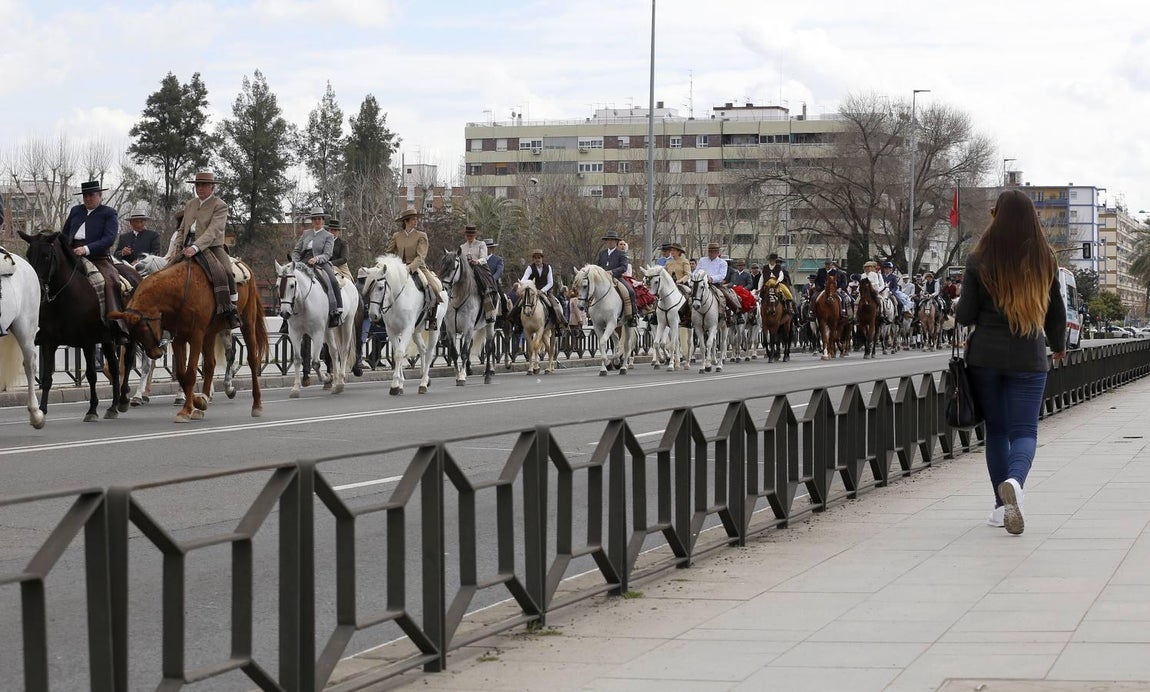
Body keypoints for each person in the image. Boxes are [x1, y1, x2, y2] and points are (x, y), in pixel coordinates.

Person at [956, 188, 1067, 536]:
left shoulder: (978, 259)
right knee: (1024, 431)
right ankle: (1015, 484)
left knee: (997, 432)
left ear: (997, 217)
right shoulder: (1045, 258)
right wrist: (1060, 344)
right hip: (1028, 355)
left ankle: (1000, 506)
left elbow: (965, 313)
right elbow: (1056, 310)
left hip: (985, 356)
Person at [61, 180, 133, 341]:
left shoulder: (109, 213)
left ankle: (116, 324)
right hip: (72, 253)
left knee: (108, 282)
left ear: (100, 195)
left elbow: (109, 239)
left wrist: (86, 249)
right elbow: (65, 234)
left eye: (91, 195)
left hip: (97, 256)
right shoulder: (75, 210)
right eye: (85, 196)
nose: (88, 198)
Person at [171, 171, 240, 328]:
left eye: (203, 185)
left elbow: (213, 231)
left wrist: (196, 247)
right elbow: (182, 229)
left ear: (212, 187)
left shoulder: (220, 205)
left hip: (212, 246)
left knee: (226, 272)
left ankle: (232, 310)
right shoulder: (190, 204)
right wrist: (177, 247)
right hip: (187, 246)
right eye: (197, 185)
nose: (199, 188)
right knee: (165, 270)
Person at [385, 208, 441, 330]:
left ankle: (432, 318)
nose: (416, 221)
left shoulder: (421, 235)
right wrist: (388, 264)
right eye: (413, 219)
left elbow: (421, 257)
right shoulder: (397, 236)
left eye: (416, 219)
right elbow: (389, 252)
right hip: (399, 267)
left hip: (417, 267)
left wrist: (409, 268)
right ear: (406, 221)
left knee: (434, 287)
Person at [291, 207, 343, 327]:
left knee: (333, 281)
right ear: (312, 221)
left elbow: (328, 254)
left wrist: (317, 259)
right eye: (315, 219)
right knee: (288, 280)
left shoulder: (328, 235)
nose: (317, 221)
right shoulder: (305, 233)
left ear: (323, 220)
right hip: (303, 261)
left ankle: (336, 310)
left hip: (321, 262)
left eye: (319, 219)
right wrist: (295, 261)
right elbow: (297, 250)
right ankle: (286, 317)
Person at [509, 249, 565, 328]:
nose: (537, 259)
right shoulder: (530, 268)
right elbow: (523, 279)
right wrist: (520, 287)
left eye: (539, 257)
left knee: (554, 304)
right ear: (533, 259)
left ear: (542, 258)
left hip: (545, 292)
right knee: (519, 304)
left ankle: (559, 324)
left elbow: (550, 283)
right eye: (535, 258)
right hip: (532, 291)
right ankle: (514, 322)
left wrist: (542, 291)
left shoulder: (548, 267)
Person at [595, 230, 637, 326]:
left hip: (616, 278)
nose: (610, 242)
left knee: (630, 291)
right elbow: (598, 265)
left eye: (612, 240)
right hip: (603, 279)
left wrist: (612, 272)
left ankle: (633, 315)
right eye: (608, 240)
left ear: (615, 242)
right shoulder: (602, 253)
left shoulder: (621, 253)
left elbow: (623, 267)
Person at [460, 224, 498, 319]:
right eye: (468, 235)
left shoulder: (481, 244)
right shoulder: (462, 247)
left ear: (475, 235)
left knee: (485, 287)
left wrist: (477, 261)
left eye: (471, 235)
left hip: (478, 268)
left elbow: (484, 258)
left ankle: (489, 312)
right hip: (465, 270)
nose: (469, 237)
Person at [696, 242, 743, 317]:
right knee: (692, 296)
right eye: (709, 251)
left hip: (716, 284)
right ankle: (687, 316)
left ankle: (737, 312)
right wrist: (696, 277)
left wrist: (711, 278)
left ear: (718, 252)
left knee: (725, 295)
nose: (711, 253)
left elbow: (722, 275)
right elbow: (696, 271)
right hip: (702, 284)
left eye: (713, 251)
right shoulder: (702, 260)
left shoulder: (722, 262)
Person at [329, 218, 353, 282]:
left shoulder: (343, 243)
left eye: (335, 230)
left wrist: (331, 263)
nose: (332, 232)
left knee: (347, 281)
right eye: (331, 230)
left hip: (340, 266)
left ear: (338, 231)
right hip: (325, 265)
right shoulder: (324, 242)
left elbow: (344, 258)